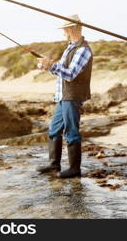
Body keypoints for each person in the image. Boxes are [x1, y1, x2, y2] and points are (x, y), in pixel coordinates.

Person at [36, 14, 93, 179]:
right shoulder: (70, 47)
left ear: (70, 29)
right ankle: (54, 164)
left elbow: (70, 74)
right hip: (63, 96)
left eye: (64, 29)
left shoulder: (83, 50)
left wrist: (51, 65)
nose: (63, 32)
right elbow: (61, 69)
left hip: (72, 96)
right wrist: (48, 66)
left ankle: (75, 169)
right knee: (54, 129)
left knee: (71, 131)